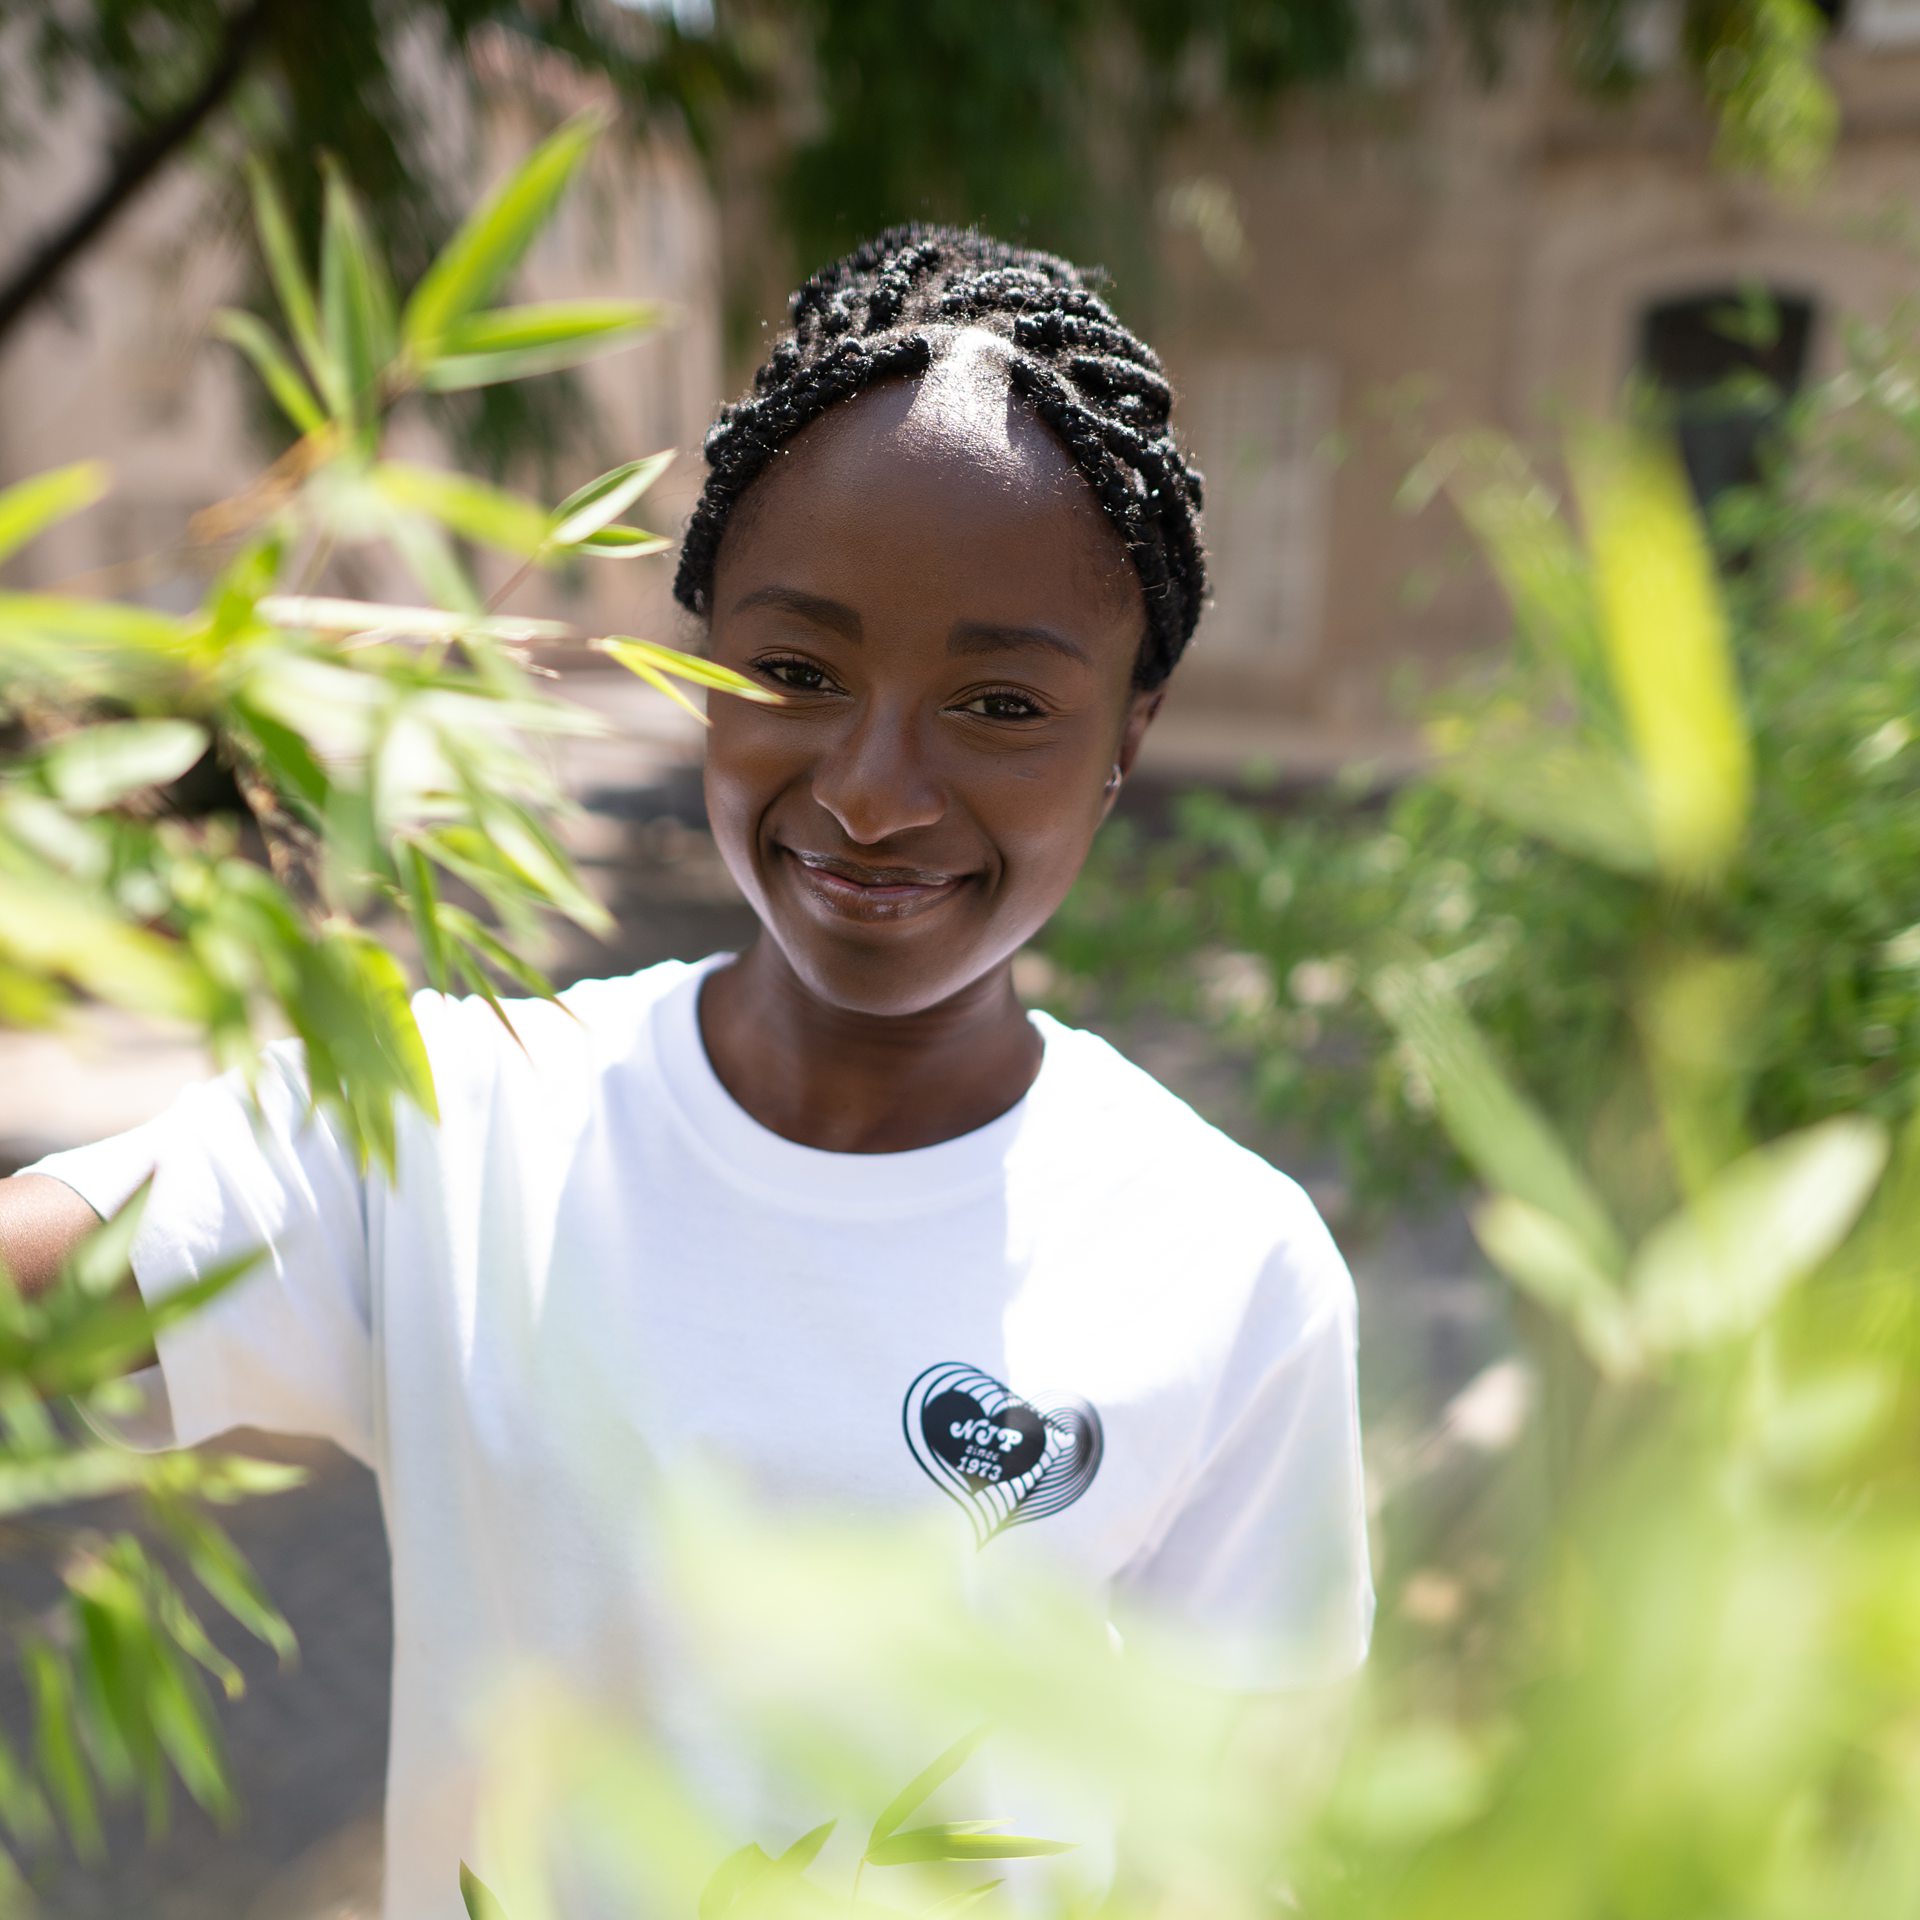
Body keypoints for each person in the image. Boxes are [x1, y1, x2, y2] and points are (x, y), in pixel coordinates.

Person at [0, 227, 1373, 1917]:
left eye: (1001, 703)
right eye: (795, 674)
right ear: (696, 657)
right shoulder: (449, 1120)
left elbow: (1233, 1849)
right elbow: (41, 1294)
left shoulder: (1223, 1264)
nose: (873, 792)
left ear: (1129, 738)